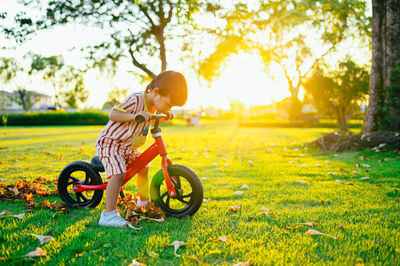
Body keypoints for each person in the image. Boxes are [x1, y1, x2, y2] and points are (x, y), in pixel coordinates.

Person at [96, 71, 188, 227]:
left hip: (127, 146)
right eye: (168, 104)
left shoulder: (153, 106)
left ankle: (143, 201)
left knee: (144, 166)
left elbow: (153, 115)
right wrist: (134, 116)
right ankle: (108, 215)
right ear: (156, 92)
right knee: (118, 174)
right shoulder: (136, 99)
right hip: (111, 143)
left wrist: (164, 114)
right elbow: (113, 114)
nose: (168, 107)